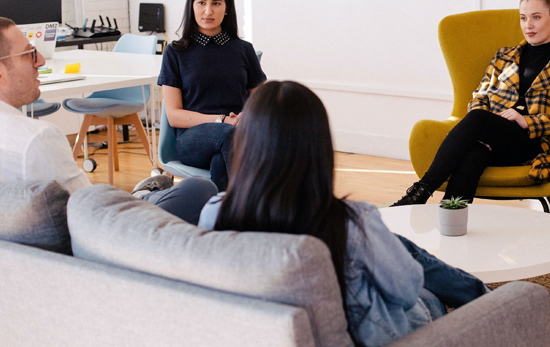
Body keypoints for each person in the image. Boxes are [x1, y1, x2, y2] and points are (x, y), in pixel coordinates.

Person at [198, 81, 491, 347]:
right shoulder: (349, 221)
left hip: (271, 333)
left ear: (246, 144)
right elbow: (406, 290)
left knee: (394, 246)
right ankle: (491, 301)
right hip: (382, 336)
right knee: (421, 284)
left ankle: (479, 293)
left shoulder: (215, 213)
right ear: (318, 148)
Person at [0, 16, 218, 224]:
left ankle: (139, 196)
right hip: (108, 234)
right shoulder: (36, 140)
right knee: (198, 188)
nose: (41, 61)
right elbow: (90, 212)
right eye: (29, 54)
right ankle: (140, 198)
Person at [392, 0, 550, 206]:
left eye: (536, 17)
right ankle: (451, 218)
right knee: (475, 154)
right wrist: (493, 122)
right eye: (523, 18)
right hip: (494, 136)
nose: (528, 25)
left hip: (533, 142)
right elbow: (480, 96)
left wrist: (529, 121)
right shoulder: (504, 56)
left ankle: (421, 191)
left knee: (477, 119)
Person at [158, 0, 266, 191]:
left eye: (216, 3)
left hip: (234, 137)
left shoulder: (244, 50)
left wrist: (248, 115)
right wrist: (222, 120)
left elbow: (263, 102)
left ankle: (221, 219)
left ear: (227, 8)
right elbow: (174, 115)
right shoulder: (175, 52)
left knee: (221, 161)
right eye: (201, 2)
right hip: (192, 140)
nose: (208, 11)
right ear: (192, 6)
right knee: (230, 136)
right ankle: (260, 208)